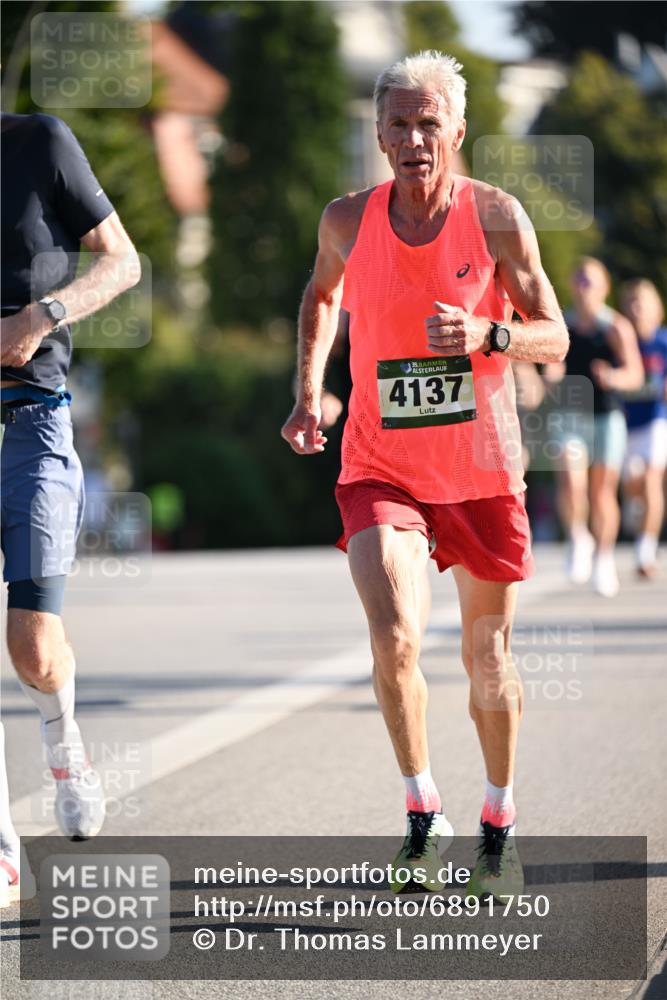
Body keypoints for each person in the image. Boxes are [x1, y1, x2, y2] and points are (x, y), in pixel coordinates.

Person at [281, 51, 568, 899]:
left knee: (487, 658)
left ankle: (498, 821)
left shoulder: (498, 217)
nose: (413, 138)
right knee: (394, 636)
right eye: (398, 124)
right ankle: (420, 812)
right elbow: (321, 296)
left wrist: (491, 337)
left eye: (428, 123)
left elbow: (552, 331)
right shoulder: (345, 219)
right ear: (376, 134)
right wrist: (308, 393)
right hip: (380, 466)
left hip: (480, 470)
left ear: (457, 131)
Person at [0, 113, 140, 892]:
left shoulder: (39, 143)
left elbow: (122, 263)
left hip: (33, 420)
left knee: (34, 648)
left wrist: (40, 315)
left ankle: (64, 742)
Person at [545, 258, 643, 596]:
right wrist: (549, 377)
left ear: (604, 288)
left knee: (602, 493)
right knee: (571, 481)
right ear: (573, 286)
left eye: (592, 282)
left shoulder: (615, 327)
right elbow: (552, 365)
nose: (585, 288)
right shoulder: (562, 324)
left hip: (606, 415)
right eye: (580, 281)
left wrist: (613, 376)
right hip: (570, 415)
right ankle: (577, 536)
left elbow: (636, 374)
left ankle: (604, 557)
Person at [619, 280, 667, 577]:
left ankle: (645, 551)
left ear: (657, 308)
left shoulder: (662, 342)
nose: (638, 308)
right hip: (624, 425)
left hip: (656, 421)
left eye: (643, 301)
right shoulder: (622, 342)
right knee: (633, 485)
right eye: (632, 301)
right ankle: (636, 507)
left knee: (651, 479)